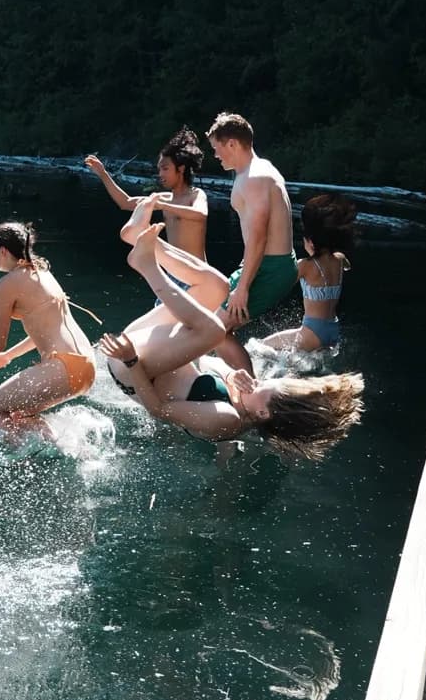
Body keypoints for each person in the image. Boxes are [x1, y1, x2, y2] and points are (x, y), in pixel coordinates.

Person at [102, 224, 364, 460]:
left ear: (262, 413)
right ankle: (142, 241)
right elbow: (206, 353)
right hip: (151, 351)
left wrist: (130, 360)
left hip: (130, 367)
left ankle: (147, 266)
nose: (260, 381)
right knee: (218, 287)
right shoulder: (247, 395)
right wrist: (231, 376)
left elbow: (157, 410)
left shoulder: (226, 420)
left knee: (214, 330)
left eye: (268, 387)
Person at [0, 221, 96, 441]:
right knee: (16, 413)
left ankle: (21, 468)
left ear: (2, 250)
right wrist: (7, 357)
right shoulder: (42, 273)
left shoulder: (7, 284)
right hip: (85, 364)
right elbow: (41, 332)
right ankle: (54, 448)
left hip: (63, 365)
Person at [206, 112, 298, 369]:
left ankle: (251, 398)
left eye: (217, 148)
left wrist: (243, 287)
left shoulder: (255, 178)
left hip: (270, 268)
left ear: (232, 144)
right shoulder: (254, 170)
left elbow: (259, 236)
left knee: (213, 331)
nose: (215, 155)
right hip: (265, 265)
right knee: (212, 324)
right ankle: (240, 384)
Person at [85, 127, 208, 261]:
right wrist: (103, 174)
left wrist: (163, 206)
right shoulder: (162, 198)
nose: (160, 174)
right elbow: (125, 203)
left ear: (181, 169)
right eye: (159, 169)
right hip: (174, 272)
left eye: (165, 169)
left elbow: (200, 214)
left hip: (197, 273)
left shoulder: (196, 195)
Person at [264, 194, 356, 353]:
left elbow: (278, 285)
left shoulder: (306, 266)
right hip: (333, 329)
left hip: (312, 332)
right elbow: (348, 266)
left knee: (259, 345)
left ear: (311, 242)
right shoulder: (340, 260)